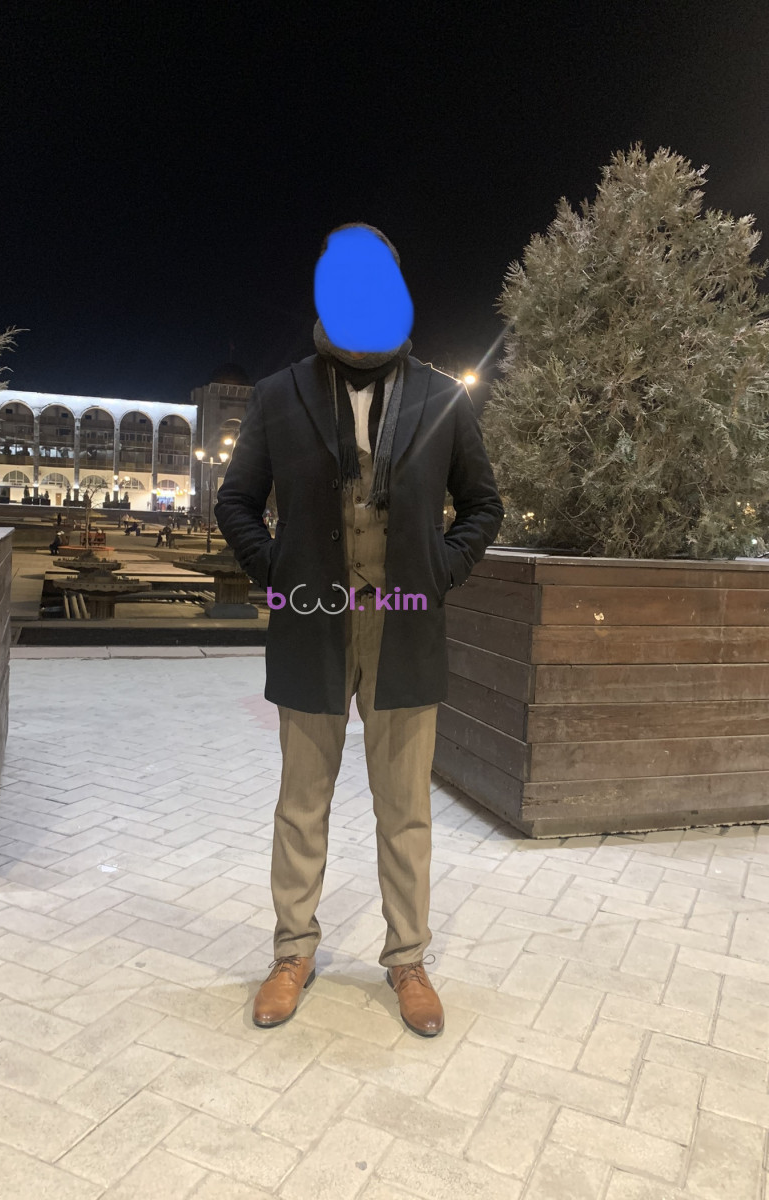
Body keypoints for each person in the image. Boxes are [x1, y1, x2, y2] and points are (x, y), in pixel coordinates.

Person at [216, 223, 503, 1037]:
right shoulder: (280, 394)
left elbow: (483, 505)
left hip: (404, 626)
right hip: (310, 626)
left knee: (405, 808)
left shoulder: (443, 397)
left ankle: (407, 959)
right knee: (301, 803)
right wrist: (277, 570)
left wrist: (442, 569)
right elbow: (236, 501)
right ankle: (292, 952)